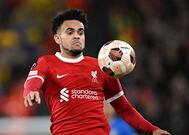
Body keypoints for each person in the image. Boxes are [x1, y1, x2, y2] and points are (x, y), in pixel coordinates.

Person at [23, 9, 171, 135]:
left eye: (80, 32)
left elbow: (124, 108)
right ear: (57, 38)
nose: (77, 36)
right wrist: (31, 91)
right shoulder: (47, 62)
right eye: (70, 32)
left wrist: (152, 129)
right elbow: (33, 80)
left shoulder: (102, 66)